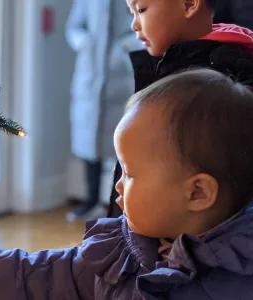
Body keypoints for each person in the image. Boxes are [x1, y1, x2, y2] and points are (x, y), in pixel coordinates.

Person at [0, 69, 253, 299]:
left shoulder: (238, 281)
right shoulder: (127, 248)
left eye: (130, 175)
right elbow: (51, 274)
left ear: (197, 193)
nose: (117, 185)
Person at [107, 0, 253, 218]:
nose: (134, 25)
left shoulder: (223, 79)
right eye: (132, 13)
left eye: (141, 10)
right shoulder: (167, 67)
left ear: (188, 4)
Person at [65, 0, 142, 220]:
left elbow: (144, 24)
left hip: (122, 73)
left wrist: (125, 47)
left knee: (122, 143)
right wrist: (85, 43)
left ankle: (116, 205)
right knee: (88, 141)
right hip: (90, 72)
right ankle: (90, 200)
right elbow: (73, 27)